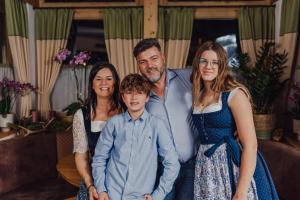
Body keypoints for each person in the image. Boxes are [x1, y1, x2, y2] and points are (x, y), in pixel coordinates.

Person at [191, 41, 279, 200]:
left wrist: (241, 191)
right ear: (197, 64)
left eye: (214, 62)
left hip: (231, 163)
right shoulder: (198, 94)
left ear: (222, 66)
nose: (208, 66)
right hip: (206, 166)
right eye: (203, 61)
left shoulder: (234, 94)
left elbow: (251, 144)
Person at [92, 74, 180, 200]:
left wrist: (158, 195)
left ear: (147, 97)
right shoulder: (113, 123)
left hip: (140, 196)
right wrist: (101, 189)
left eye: (139, 92)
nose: (134, 97)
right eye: (129, 92)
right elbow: (99, 158)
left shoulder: (157, 125)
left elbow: (172, 163)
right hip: (111, 194)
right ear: (123, 97)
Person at [133, 38, 197, 200]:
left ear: (163, 57)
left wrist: (235, 123)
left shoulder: (189, 77)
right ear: (138, 65)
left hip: (193, 165)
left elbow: (221, 90)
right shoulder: (138, 95)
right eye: (143, 62)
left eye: (154, 58)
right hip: (161, 169)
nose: (149, 65)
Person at [72, 62, 123, 200]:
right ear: (92, 85)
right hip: (95, 178)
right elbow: (81, 157)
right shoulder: (82, 115)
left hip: (124, 179)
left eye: (109, 78)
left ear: (116, 83)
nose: (104, 83)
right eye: (98, 79)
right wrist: (90, 185)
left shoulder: (127, 109)